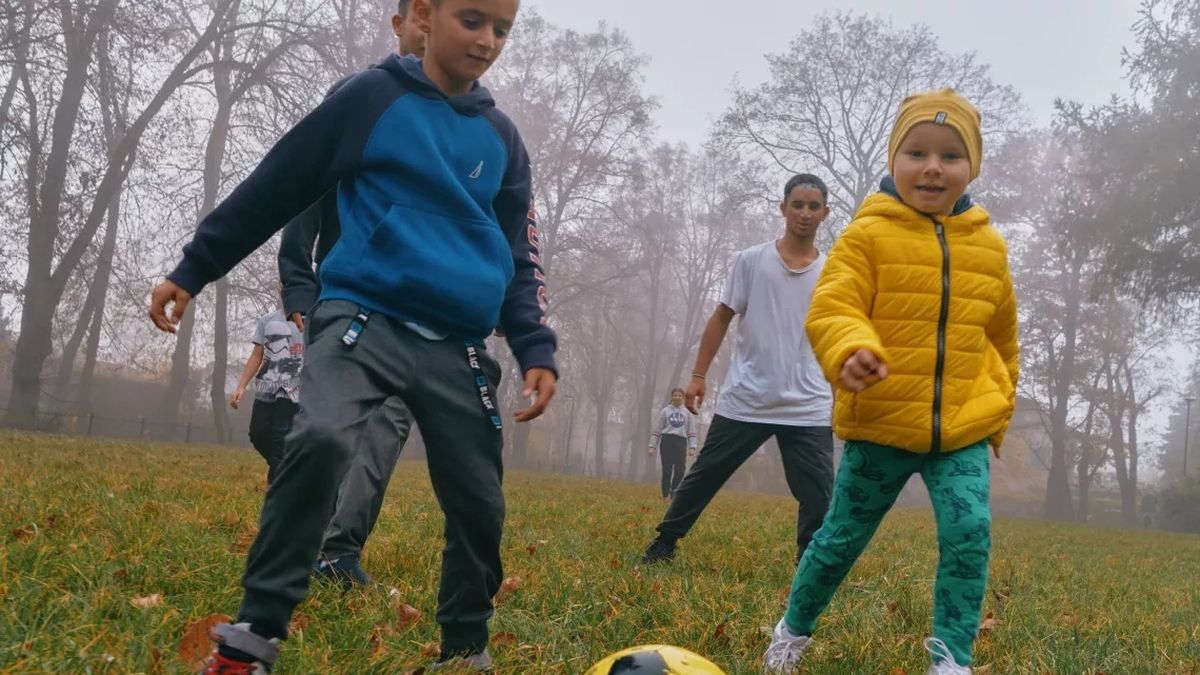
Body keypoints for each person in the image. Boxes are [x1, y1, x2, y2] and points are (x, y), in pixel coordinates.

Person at [148, 0, 555, 671]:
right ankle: (253, 637)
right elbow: (277, 184)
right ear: (425, 12)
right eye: (473, 20)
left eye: (503, 29)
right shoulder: (371, 98)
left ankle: (463, 650)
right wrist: (196, 267)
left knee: (480, 499)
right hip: (363, 318)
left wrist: (535, 346)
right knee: (321, 437)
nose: (487, 40)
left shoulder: (504, 141)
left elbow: (520, 255)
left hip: (458, 345)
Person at [762, 89, 1019, 675]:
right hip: (881, 422)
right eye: (917, 152)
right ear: (893, 159)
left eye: (951, 155)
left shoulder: (990, 247)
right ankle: (792, 631)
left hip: (962, 430)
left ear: (970, 167)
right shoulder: (866, 235)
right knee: (840, 538)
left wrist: (998, 413)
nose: (932, 167)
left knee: (969, 532)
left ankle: (952, 658)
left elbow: (1003, 339)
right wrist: (852, 349)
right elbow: (833, 306)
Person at [276, 0, 426, 591]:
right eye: (422, 17)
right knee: (328, 432)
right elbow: (302, 189)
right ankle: (292, 543)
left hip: (413, 309)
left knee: (386, 430)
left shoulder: (463, 124)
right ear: (401, 24)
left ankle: (339, 554)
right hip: (342, 299)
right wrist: (298, 285)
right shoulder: (361, 98)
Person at [640, 173, 836, 566]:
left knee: (819, 493)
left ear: (825, 214)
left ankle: (809, 564)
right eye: (797, 204)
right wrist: (698, 376)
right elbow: (721, 317)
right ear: (783, 209)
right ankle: (664, 544)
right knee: (706, 474)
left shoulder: (833, 272)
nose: (804, 213)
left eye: (813, 206)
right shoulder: (750, 261)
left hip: (807, 403)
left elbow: (838, 332)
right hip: (748, 397)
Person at [229, 297, 304, 486]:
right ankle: (292, 470)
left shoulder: (311, 319)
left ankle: (278, 491)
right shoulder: (267, 320)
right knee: (258, 434)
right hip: (266, 386)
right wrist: (241, 386)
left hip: (294, 390)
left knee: (280, 439)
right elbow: (257, 354)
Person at [647, 387, 697, 500]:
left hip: (681, 441)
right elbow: (657, 429)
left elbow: (691, 431)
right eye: (675, 395)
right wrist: (652, 446)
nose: (677, 397)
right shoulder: (665, 411)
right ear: (672, 397)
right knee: (667, 469)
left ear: (683, 398)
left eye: (679, 395)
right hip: (667, 440)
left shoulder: (687, 413)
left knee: (680, 470)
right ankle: (665, 495)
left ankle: (673, 489)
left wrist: (692, 447)